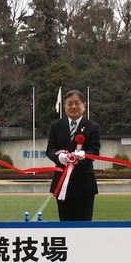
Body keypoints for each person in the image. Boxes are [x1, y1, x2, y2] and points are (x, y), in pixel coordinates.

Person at [46, 89, 101, 221]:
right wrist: (60, 157)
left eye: (77, 103)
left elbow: (95, 151)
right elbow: (50, 150)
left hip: (85, 184)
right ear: (64, 106)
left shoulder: (92, 127)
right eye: (69, 103)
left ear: (84, 106)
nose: (73, 107)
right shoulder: (56, 126)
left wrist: (82, 155)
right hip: (62, 183)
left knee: (85, 224)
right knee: (64, 223)